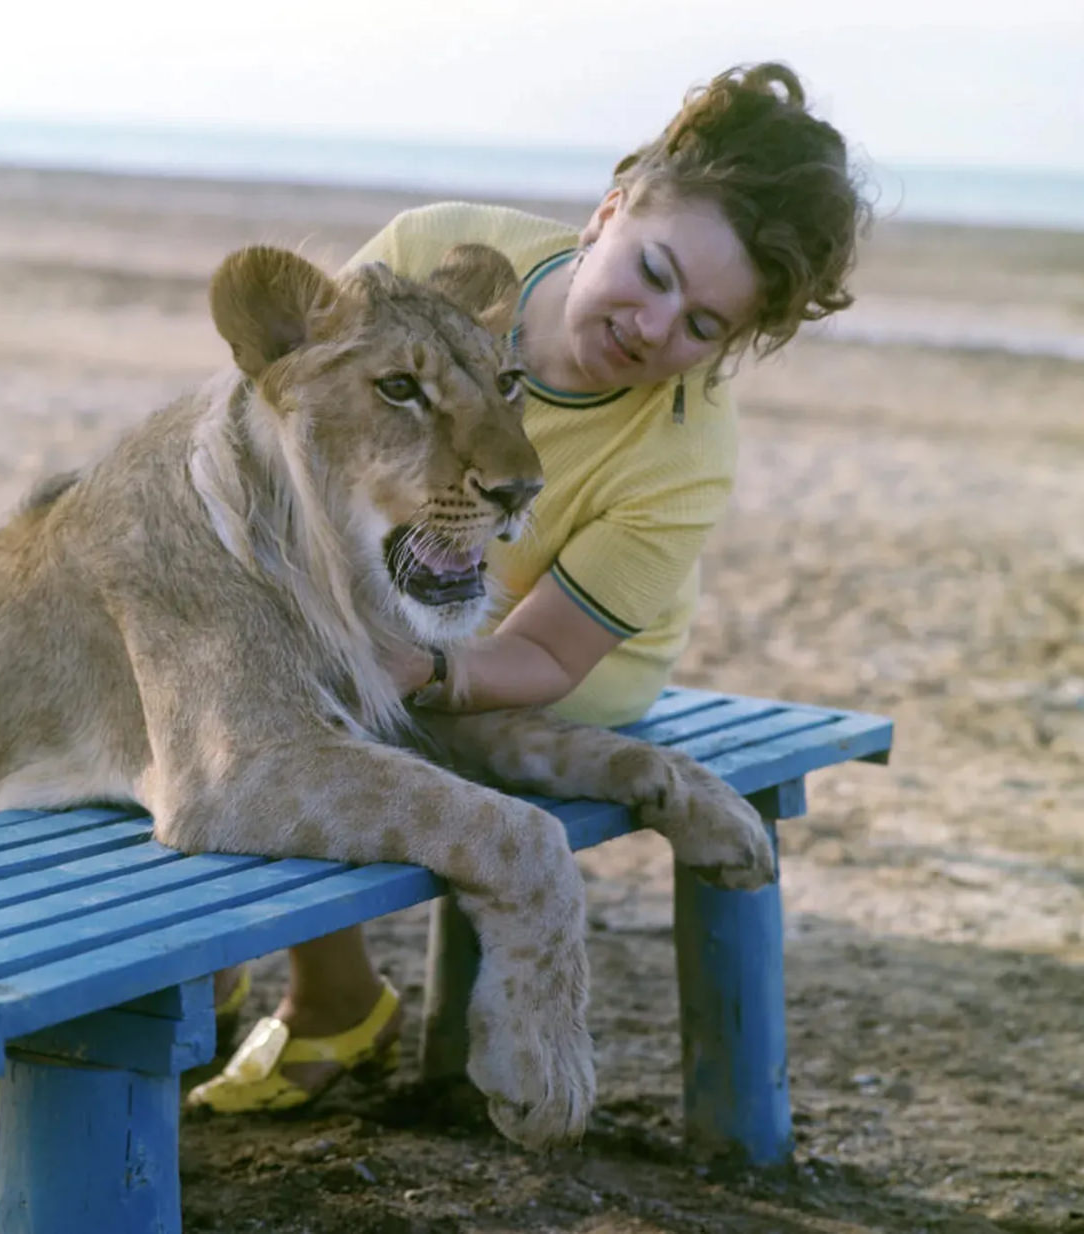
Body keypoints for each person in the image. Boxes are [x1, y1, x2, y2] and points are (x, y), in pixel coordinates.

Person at [186, 61, 868, 1114]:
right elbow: (293, 422)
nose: (655, 326)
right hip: (388, 575)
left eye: (702, 327)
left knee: (322, 716)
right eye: (652, 271)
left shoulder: (686, 454)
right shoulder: (434, 250)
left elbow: (544, 654)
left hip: (540, 654)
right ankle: (237, 966)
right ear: (608, 213)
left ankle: (328, 998)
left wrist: (407, 663)